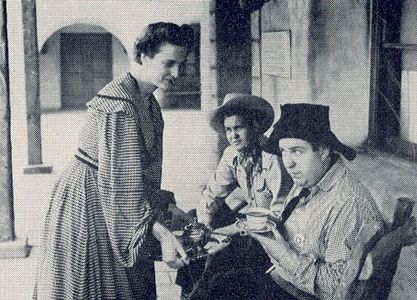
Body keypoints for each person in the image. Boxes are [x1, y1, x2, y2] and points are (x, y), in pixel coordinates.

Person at [33, 22, 195, 300]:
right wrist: (163, 234)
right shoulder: (119, 106)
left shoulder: (147, 100)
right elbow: (120, 189)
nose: (176, 73)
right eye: (168, 63)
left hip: (118, 197)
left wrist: (167, 206)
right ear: (142, 56)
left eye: (181, 64)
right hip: (90, 200)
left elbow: (137, 176)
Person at [249, 103, 385, 299]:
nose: (288, 162)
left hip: (298, 293)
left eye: (297, 151)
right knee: (219, 264)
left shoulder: (347, 203)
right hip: (283, 274)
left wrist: (283, 254)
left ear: (322, 151)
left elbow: (335, 287)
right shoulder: (310, 177)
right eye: (283, 151)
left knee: (219, 286)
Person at [176, 93, 293, 299]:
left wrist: (227, 231)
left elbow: (277, 214)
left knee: (220, 259)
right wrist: (205, 227)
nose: (233, 136)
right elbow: (212, 194)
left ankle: (201, 292)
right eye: (228, 130)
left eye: (238, 128)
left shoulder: (273, 157)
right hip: (248, 225)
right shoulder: (232, 155)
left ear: (255, 126)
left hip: (273, 235)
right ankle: (188, 290)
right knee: (195, 221)